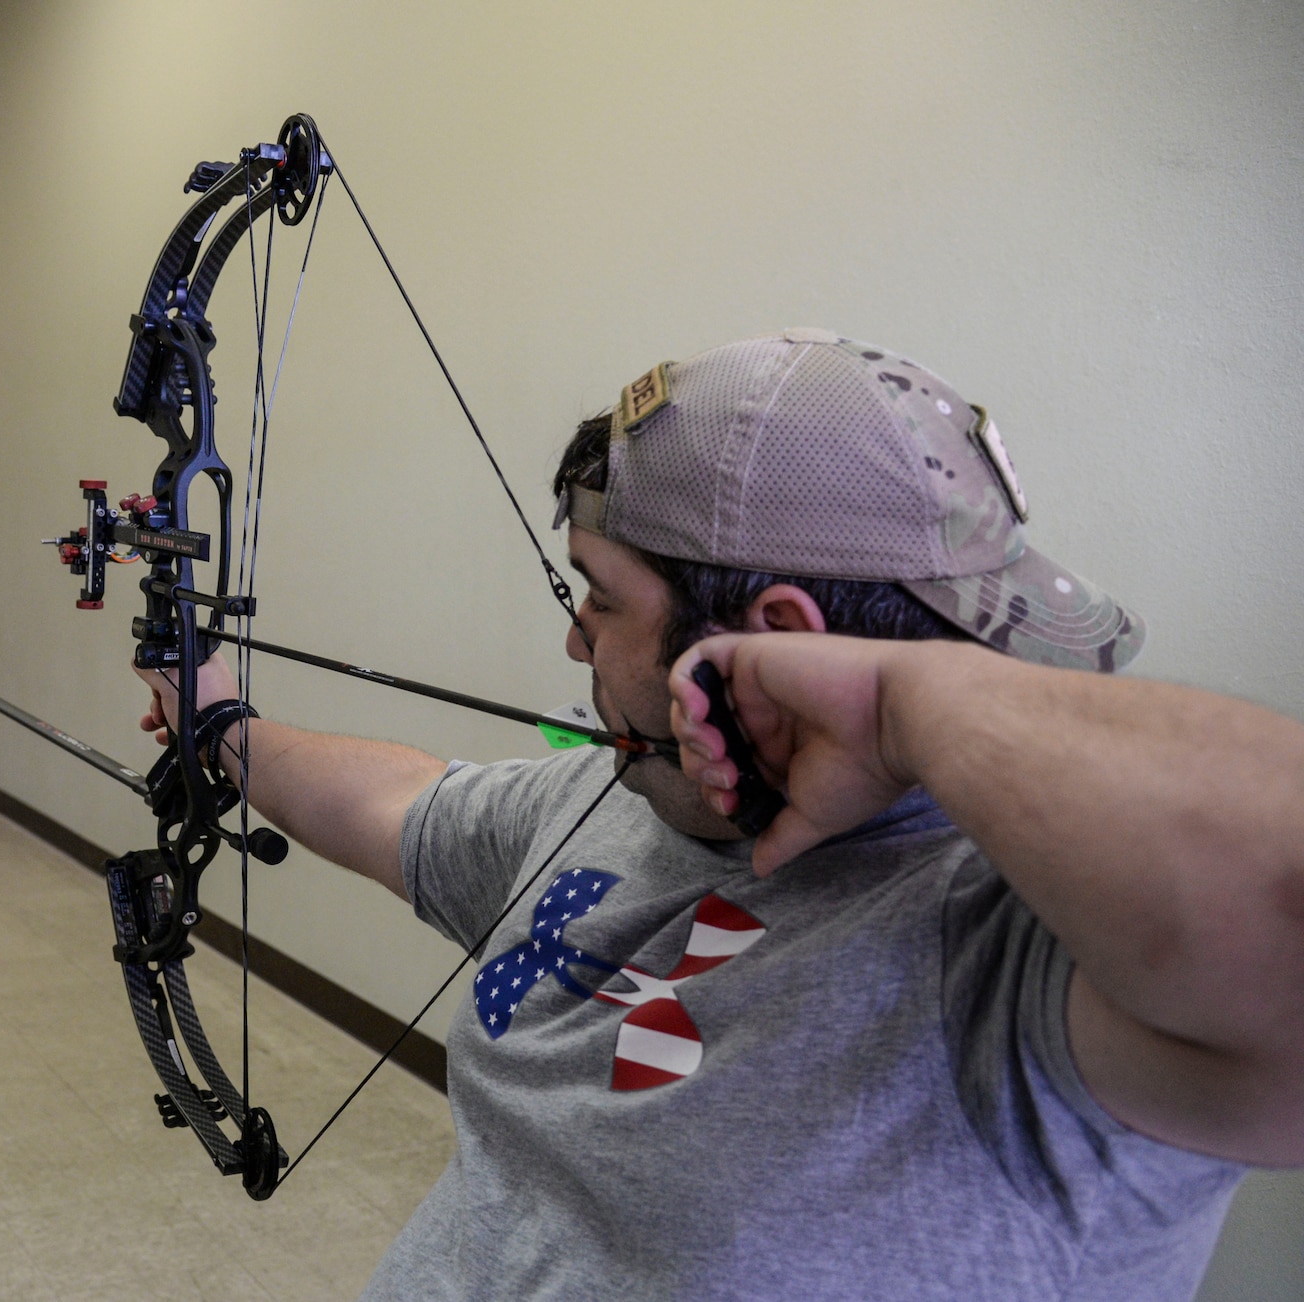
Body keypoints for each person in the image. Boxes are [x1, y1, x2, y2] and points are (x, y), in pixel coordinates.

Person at [137, 329, 1303, 1299]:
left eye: (599, 596)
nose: (571, 634)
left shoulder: (1024, 953)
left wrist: (902, 704)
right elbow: (402, 805)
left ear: (774, 643)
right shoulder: (617, 797)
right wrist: (217, 719)